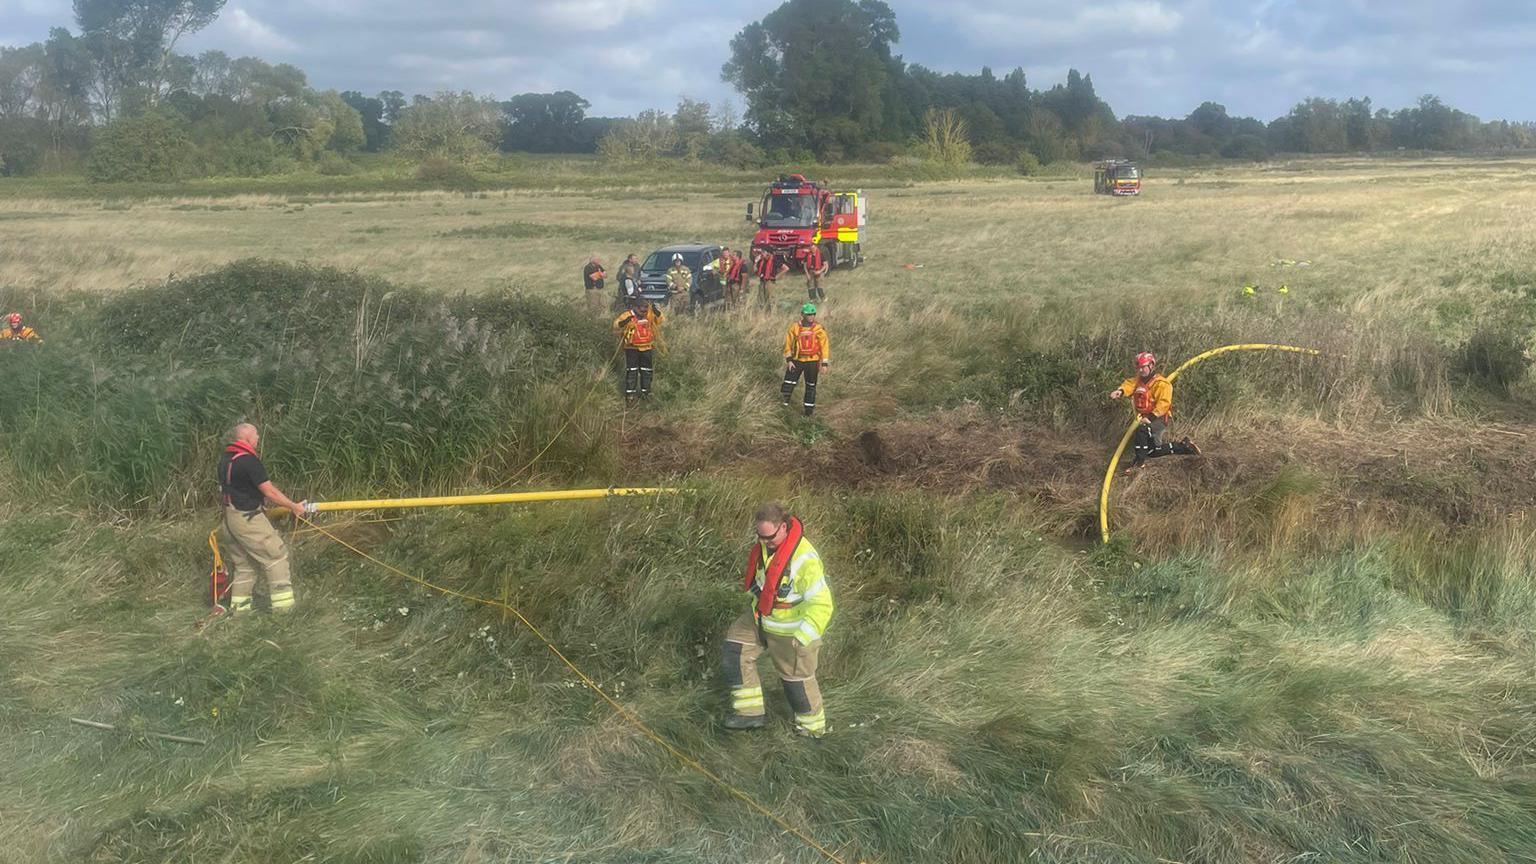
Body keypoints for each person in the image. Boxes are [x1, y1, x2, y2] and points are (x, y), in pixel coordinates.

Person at [721, 501, 834, 738]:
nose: (763, 542)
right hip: (761, 618)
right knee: (735, 649)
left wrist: (803, 637)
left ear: (783, 527)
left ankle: (812, 733)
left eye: (769, 537)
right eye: (759, 536)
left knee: (796, 684)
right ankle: (749, 714)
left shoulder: (805, 559)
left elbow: (823, 604)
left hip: (790, 631)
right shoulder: (767, 544)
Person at [216, 423, 315, 615]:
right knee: (276, 557)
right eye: (256, 434)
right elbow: (269, 491)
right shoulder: (248, 460)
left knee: (244, 567)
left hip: (229, 520)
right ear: (245, 437)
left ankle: (239, 612)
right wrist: (294, 507)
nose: (259, 437)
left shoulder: (226, 459)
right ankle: (285, 612)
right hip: (248, 519)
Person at [1108, 351, 1200, 474]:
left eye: (1143, 367)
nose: (1140, 370)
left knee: (1142, 430)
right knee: (1153, 451)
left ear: (1151, 365)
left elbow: (1164, 404)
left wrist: (1150, 418)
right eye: (1138, 368)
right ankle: (1185, 446)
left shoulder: (1162, 384)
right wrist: (1120, 391)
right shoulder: (1138, 380)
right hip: (1147, 419)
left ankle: (1138, 464)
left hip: (1159, 419)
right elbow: (1129, 385)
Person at [782, 303, 830, 417]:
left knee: (811, 386)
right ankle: (784, 405)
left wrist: (824, 363)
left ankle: (808, 412)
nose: (811, 317)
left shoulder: (819, 329)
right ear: (802, 315)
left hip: (812, 361)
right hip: (796, 360)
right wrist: (789, 360)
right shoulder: (794, 327)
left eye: (813, 314)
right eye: (809, 315)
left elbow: (824, 346)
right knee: (788, 383)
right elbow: (788, 344)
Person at [613, 296, 662, 400]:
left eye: (645, 307)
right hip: (631, 348)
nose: (643, 310)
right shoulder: (627, 315)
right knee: (632, 371)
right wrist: (625, 322)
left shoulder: (649, 315)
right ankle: (630, 394)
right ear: (635, 307)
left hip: (647, 348)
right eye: (641, 308)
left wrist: (656, 311)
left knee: (647, 370)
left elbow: (660, 320)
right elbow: (616, 325)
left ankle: (646, 393)